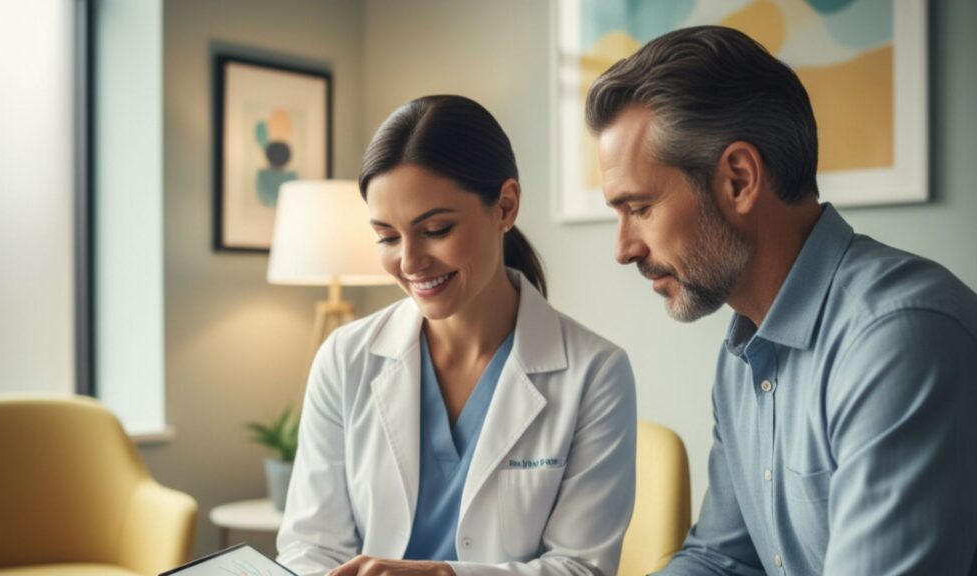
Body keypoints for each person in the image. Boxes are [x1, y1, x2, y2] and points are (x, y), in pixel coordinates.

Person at [586, 25, 977, 576]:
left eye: (640, 207)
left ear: (740, 180)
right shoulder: (743, 352)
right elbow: (723, 558)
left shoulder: (900, 339)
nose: (623, 249)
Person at [276, 95, 637, 576]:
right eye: (386, 237)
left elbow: (582, 568)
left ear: (505, 206)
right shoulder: (345, 358)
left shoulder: (595, 373)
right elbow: (310, 545)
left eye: (436, 229)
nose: (408, 262)